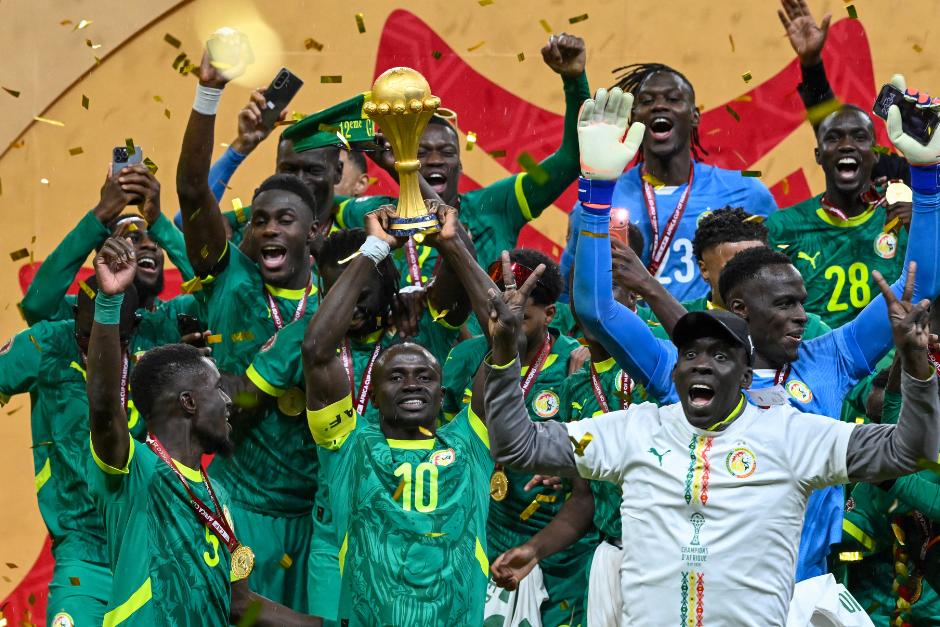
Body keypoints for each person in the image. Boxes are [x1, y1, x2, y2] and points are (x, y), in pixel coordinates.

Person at [571, 80, 940, 579]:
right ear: (741, 310)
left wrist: (927, 177)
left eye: (801, 302)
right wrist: (595, 190)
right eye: (785, 304)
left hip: (806, 590)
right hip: (711, 593)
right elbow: (596, 309)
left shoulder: (828, 357)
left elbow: (919, 284)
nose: (802, 316)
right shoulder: (683, 368)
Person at [482, 259, 940, 625]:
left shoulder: (793, 435)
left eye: (720, 355)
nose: (701, 364)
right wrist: (504, 352)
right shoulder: (632, 431)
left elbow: (911, 451)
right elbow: (517, 446)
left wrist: (917, 365)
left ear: (746, 377)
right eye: (690, 354)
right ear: (676, 370)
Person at [234, 207, 471, 620]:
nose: (351, 306)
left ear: (390, 286)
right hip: (334, 528)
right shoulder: (305, 338)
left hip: (414, 525)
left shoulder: (417, 331)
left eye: (362, 293)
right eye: (338, 293)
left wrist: (441, 229)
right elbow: (246, 405)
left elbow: (460, 281)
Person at [84, 232, 319, 625]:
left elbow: (240, 605)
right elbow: (105, 408)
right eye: (217, 389)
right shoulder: (137, 470)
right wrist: (109, 303)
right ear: (189, 402)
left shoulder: (218, 493)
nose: (228, 401)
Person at [175, 47, 323, 608]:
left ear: (313, 232)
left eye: (285, 220)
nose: (268, 230)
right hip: (242, 504)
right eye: (259, 221)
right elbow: (193, 192)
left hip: (316, 516)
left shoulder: (335, 299)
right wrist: (208, 93)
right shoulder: (231, 279)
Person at [298, 206, 495, 625]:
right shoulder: (347, 445)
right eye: (396, 377)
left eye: (424, 377)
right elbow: (316, 351)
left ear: (443, 393)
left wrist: (452, 245)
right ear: (372, 397)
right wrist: (374, 249)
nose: (411, 385)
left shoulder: (473, 440)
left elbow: (503, 336)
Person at [490, 236, 655, 627]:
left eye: (612, 295)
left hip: (665, 553)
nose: (598, 305)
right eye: (588, 295)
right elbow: (583, 500)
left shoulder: (662, 365)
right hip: (610, 554)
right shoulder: (575, 387)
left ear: (633, 300)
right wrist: (534, 550)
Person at [337, 33, 590, 274]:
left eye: (447, 152)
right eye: (421, 152)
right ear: (401, 157)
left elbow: (570, 160)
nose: (435, 160)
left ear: (459, 165)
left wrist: (574, 81)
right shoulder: (377, 214)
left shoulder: (497, 205)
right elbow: (320, 201)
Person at [440, 246, 594, 626]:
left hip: (560, 548)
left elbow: (594, 450)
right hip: (484, 534)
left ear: (550, 314)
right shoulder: (465, 358)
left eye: (522, 317)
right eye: (498, 313)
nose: (507, 322)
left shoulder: (576, 363)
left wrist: (568, 464)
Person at [559, 61, 777, 304]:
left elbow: (777, 278)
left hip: (714, 327)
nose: (659, 106)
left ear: (694, 116)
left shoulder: (746, 193)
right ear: (634, 119)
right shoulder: (600, 200)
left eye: (673, 99)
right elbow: (570, 293)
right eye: (647, 101)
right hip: (631, 326)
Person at [0, 276, 140, 626]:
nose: (97, 350)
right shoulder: (48, 344)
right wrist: (90, 237)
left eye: (114, 339)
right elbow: (35, 303)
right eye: (86, 336)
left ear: (133, 330)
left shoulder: (153, 358)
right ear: (75, 315)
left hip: (142, 554)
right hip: (81, 552)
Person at [766, 104, 910, 328]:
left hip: (894, 350)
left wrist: (923, 229)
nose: (846, 145)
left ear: (876, 153)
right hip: (815, 349)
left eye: (859, 137)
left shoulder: (906, 216)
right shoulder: (783, 227)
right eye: (833, 138)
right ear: (818, 155)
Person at [19, 164, 198, 334]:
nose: (150, 245)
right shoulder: (82, 313)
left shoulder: (178, 314)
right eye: (134, 238)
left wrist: (159, 221)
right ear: (105, 255)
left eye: (157, 240)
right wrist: (101, 213)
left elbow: (211, 291)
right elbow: (36, 305)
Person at [840, 354, 940, 626]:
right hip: (885, 604)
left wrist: (889, 478)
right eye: (872, 421)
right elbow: (848, 536)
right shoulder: (879, 469)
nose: (877, 433)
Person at [636, 206, 831, 339]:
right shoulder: (668, 325)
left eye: (757, 267)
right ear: (704, 269)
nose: (748, 280)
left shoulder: (807, 329)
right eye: (734, 268)